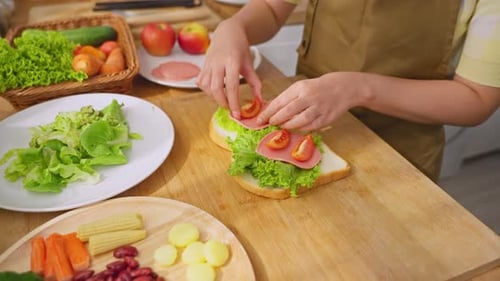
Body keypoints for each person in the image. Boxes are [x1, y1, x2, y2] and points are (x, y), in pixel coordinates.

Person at [196, 0, 500, 182]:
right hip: (302, 128)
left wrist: (360, 88)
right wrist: (233, 28)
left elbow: (477, 98)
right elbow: (271, 9)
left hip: (400, 152)